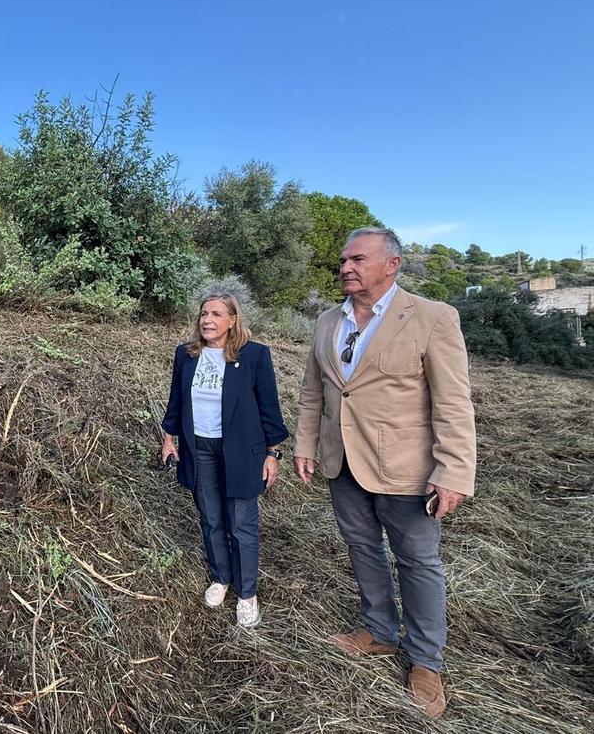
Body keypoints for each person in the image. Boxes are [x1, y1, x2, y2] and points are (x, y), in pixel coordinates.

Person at [293, 227, 476, 718]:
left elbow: (453, 402)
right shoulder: (327, 320)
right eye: (343, 260)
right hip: (341, 461)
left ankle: (425, 660)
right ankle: (377, 630)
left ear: (391, 264)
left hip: (407, 468)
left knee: (417, 562)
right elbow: (315, 392)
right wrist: (305, 443)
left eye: (358, 259)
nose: (345, 267)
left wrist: (454, 470)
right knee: (361, 547)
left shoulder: (433, 318)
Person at [161, 293, 289, 628]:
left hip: (240, 451)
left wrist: (273, 453)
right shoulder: (186, 355)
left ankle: (247, 594)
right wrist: (168, 438)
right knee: (211, 517)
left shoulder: (254, 355)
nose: (207, 320)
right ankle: (221, 577)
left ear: (232, 319)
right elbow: (176, 399)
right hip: (198, 448)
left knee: (241, 523)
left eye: (217, 314)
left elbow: (269, 407)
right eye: (204, 313)